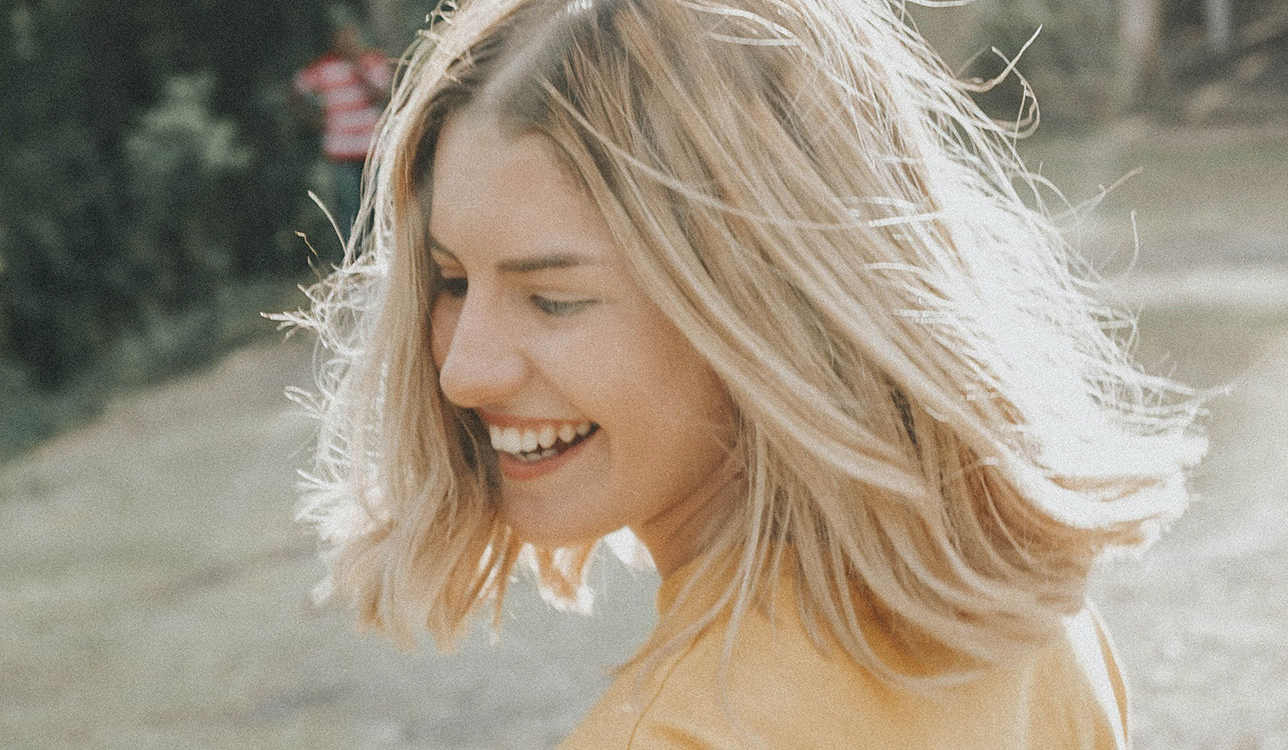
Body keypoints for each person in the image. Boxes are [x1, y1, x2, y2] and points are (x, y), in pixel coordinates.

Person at [284, 0, 1206, 746]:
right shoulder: (1027, 625)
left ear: (765, 303)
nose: (462, 372)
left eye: (554, 299)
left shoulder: (674, 734)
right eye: (449, 281)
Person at [291, 16, 392, 236]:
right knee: (348, 208)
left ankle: (380, 253)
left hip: (373, 149)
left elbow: (381, 94)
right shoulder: (324, 67)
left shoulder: (373, 61)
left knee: (379, 204)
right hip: (341, 151)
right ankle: (352, 258)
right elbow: (296, 89)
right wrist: (314, 120)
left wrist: (357, 65)